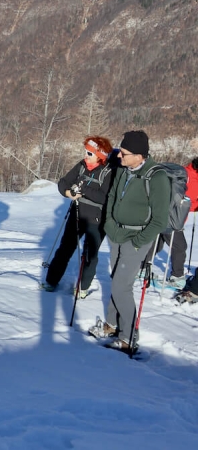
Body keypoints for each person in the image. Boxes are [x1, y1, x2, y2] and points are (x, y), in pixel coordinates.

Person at [90, 131, 169, 352]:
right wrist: (110, 225)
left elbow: (160, 220)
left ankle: (128, 336)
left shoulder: (157, 177)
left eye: (124, 154)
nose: (120, 157)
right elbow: (113, 197)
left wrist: (138, 242)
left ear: (139, 155)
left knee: (121, 286)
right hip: (116, 234)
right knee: (117, 280)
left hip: (137, 239)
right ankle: (112, 324)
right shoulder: (124, 171)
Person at [43, 136, 115, 296]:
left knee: (90, 254)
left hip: (96, 219)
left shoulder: (108, 172)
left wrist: (82, 190)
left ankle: (82, 287)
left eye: (90, 153)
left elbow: (104, 197)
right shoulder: (82, 166)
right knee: (65, 248)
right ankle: (51, 281)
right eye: (86, 152)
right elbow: (63, 182)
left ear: (100, 155)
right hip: (76, 213)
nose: (86, 156)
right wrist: (68, 192)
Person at [150, 156, 198, 289]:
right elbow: (183, 200)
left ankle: (141, 267)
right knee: (179, 246)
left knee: (157, 244)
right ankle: (177, 277)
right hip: (171, 217)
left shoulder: (189, 174)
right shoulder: (187, 176)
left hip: (174, 217)